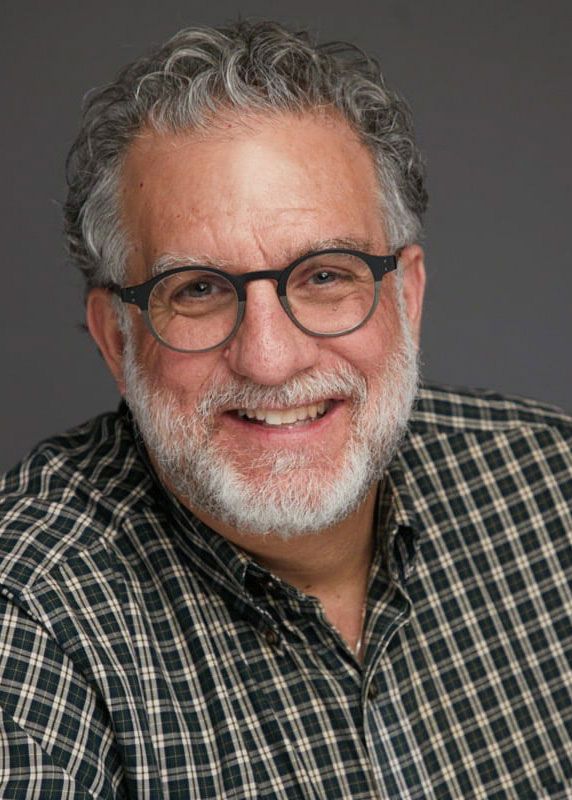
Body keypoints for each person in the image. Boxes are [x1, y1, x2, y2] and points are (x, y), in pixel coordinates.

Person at [0, 19, 570, 800]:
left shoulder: (554, 487)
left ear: (407, 295)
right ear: (116, 339)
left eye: (326, 276)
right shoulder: (28, 604)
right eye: (197, 289)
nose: (270, 360)